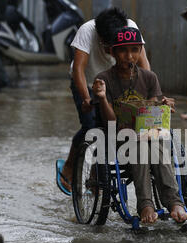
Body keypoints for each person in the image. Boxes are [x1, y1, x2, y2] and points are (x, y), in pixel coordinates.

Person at [92, 26, 187, 224]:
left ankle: (174, 202)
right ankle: (145, 204)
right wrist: (101, 98)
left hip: (149, 137)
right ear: (113, 52)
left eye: (135, 50)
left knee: (156, 143)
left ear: (140, 51)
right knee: (140, 145)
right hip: (119, 140)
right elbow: (110, 122)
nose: (129, 56)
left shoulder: (149, 78)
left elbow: (154, 119)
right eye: (123, 50)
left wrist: (162, 107)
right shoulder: (104, 79)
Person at [56, 8, 150, 195]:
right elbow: (79, 70)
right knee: (91, 126)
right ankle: (69, 166)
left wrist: (144, 97)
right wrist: (86, 98)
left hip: (117, 83)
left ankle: (97, 173)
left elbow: (143, 64)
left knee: (118, 126)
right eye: (108, 46)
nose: (110, 52)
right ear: (99, 36)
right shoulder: (87, 30)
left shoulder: (131, 27)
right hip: (88, 82)